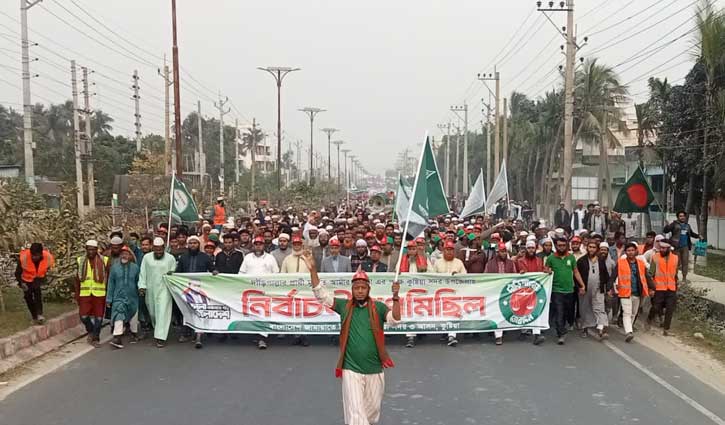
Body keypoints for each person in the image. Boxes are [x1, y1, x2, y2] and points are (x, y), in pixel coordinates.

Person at [304, 251, 401, 425]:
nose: (360, 291)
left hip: (375, 368)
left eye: (363, 288)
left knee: (371, 414)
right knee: (356, 416)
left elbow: (395, 320)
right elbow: (321, 295)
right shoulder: (344, 306)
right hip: (351, 368)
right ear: (352, 290)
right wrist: (313, 270)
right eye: (357, 288)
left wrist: (395, 298)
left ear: (368, 289)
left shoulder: (378, 308)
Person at [239, 236, 279, 350]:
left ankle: (262, 338)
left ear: (263, 245)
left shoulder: (270, 258)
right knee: (253, 314)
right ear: (253, 245)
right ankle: (256, 335)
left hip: (266, 292)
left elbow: (276, 274)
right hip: (251, 292)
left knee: (264, 314)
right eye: (256, 244)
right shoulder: (247, 257)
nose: (258, 246)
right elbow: (241, 274)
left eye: (260, 244)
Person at [544, 237, 586, 345]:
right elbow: (545, 270)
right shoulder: (551, 258)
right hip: (556, 290)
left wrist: (582, 285)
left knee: (568, 311)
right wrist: (547, 271)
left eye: (563, 245)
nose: (561, 247)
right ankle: (561, 334)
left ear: (566, 246)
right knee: (559, 312)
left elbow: (576, 272)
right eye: (559, 245)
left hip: (570, 290)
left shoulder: (571, 258)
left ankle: (566, 325)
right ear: (556, 246)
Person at [175, 235, 214, 348]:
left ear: (198, 244)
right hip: (186, 289)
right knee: (186, 310)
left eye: (195, 243)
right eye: (191, 243)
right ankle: (186, 332)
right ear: (188, 245)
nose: (193, 245)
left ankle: (198, 335)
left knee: (199, 310)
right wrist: (171, 275)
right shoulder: (183, 257)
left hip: (200, 289)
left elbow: (212, 269)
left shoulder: (205, 257)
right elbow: (178, 272)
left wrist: (215, 272)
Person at [138, 237, 177, 348]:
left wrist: (171, 274)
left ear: (164, 248)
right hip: (150, 289)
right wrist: (142, 286)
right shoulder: (147, 258)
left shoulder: (170, 258)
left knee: (162, 312)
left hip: (165, 289)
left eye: (160, 249)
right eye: (156, 249)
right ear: (153, 248)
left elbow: (174, 272)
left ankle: (161, 337)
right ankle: (158, 329)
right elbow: (143, 273)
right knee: (153, 313)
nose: (158, 251)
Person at [610, 242, 651, 342]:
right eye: (628, 250)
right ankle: (628, 332)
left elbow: (647, 277)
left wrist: (653, 288)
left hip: (637, 293)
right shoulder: (621, 263)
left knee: (633, 313)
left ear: (636, 251)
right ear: (625, 252)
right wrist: (609, 288)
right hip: (624, 292)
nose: (631, 252)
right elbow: (613, 276)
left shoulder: (640, 263)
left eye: (632, 250)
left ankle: (629, 329)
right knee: (627, 313)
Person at [576, 241, 612, 340]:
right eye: (590, 247)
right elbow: (576, 275)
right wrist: (580, 287)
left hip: (598, 289)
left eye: (594, 247)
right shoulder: (581, 261)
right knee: (585, 309)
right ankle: (584, 329)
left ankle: (601, 330)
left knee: (600, 308)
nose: (591, 249)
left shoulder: (601, 261)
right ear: (587, 248)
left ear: (597, 249)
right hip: (585, 289)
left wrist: (608, 288)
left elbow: (605, 275)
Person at [76, 240, 109, 347]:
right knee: (83, 316)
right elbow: (77, 280)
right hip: (85, 293)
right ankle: (91, 330)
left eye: (93, 249)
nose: (91, 252)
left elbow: (108, 278)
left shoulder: (104, 260)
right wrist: (77, 295)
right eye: (89, 249)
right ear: (86, 249)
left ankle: (95, 338)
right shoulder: (80, 260)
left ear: (96, 250)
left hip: (99, 293)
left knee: (99, 318)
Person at [484, 243, 518, 346]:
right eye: (501, 251)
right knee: (496, 313)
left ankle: (502, 330)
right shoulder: (490, 264)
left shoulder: (511, 263)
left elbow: (515, 276)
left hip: (507, 292)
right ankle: (498, 336)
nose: (503, 253)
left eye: (505, 251)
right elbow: (485, 277)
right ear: (497, 252)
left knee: (504, 312)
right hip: (494, 292)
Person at [106, 247, 140, 349]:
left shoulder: (135, 268)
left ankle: (134, 333)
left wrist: (141, 291)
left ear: (130, 256)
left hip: (133, 297)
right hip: (118, 297)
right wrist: (109, 299)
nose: (124, 256)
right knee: (119, 314)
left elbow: (139, 282)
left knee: (133, 316)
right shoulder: (114, 268)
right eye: (122, 254)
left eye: (126, 254)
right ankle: (117, 337)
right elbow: (111, 283)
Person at [16, 242, 55, 324]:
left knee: (37, 292)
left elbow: (49, 268)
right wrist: (21, 283)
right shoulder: (24, 258)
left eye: (36, 256)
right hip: (26, 279)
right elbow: (17, 273)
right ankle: (34, 316)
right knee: (28, 297)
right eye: (32, 255)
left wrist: (46, 277)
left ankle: (40, 314)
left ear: (41, 254)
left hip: (38, 277)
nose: (34, 257)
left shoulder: (47, 257)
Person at [647, 240, 679, 336]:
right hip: (659, 287)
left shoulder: (675, 258)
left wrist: (676, 285)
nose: (662, 250)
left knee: (670, 309)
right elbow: (651, 274)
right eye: (661, 248)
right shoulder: (655, 257)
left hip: (671, 288)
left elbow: (675, 273)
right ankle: (649, 318)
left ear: (669, 248)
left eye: (664, 248)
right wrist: (651, 288)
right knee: (656, 307)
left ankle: (666, 329)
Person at [663, 211, 700, 282]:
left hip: (685, 247)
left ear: (685, 217)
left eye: (683, 216)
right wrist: (667, 225)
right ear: (678, 217)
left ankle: (684, 278)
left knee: (685, 263)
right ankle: (675, 278)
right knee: (676, 263)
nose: (682, 217)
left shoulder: (687, 226)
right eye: (680, 216)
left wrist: (698, 236)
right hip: (676, 247)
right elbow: (665, 231)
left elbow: (691, 234)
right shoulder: (674, 224)